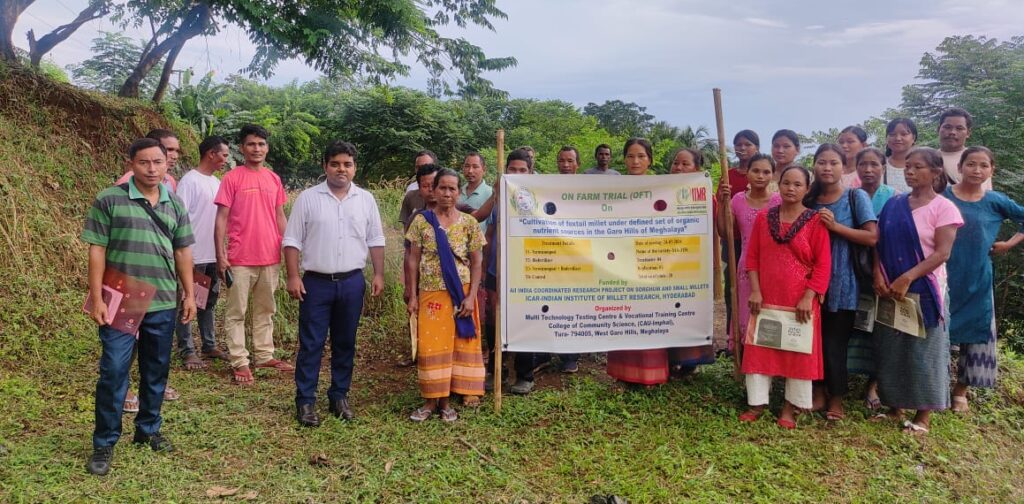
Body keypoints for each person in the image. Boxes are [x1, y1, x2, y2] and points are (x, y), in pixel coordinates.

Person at [82, 138, 197, 475]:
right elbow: (96, 251)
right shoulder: (109, 199)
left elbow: (183, 252)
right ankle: (104, 443)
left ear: (167, 164)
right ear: (131, 163)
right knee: (114, 371)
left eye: (158, 162)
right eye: (144, 162)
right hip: (122, 299)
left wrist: (189, 295)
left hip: (162, 300)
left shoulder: (174, 204)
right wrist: (96, 297)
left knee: (156, 369)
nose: (151, 169)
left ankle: (148, 430)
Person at [283, 141, 386, 427]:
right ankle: (305, 401)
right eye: (335, 164)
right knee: (311, 344)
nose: (342, 169)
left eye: (347, 164)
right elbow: (291, 240)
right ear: (325, 166)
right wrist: (293, 276)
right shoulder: (308, 198)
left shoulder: (365, 199)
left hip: (352, 282)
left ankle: (339, 395)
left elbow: (375, 239)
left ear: (355, 168)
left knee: (345, 343)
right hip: (315, 284)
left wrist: (378, 274)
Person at [873, 147, 962, 435]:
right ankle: (894, 406)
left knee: (926, 349)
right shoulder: (893, 205)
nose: (910, 172)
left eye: (918, 167)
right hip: (891, 286)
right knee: (893, 346)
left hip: (925, 286)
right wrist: (879, 274)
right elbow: (879, 243)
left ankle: (923, 415)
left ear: (936, 172)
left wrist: (907, 278)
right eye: (907, 167)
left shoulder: (944, 208)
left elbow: (942, 253)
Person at [739, 165, 831, 429]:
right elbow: (752, 257)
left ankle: (791, 407)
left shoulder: (815, 221)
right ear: (778, 186)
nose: (791, 188)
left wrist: (808, 296)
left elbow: (823, 265)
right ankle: (756, 403)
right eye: (786, 183)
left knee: (797, 350)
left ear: (807, 188)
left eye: (797, 184)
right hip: (765, 296)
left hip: (800, 298)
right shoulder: (763, 218)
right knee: (759, 347)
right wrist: (755, 290)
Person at [945, 146, 1024, 412]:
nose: (976, 170)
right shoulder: (943, 197)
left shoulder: (995, 201)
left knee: (976, 334)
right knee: (939, 330)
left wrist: (1009, 243)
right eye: (971, 164)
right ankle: (935, 386)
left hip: (977, 276)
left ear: (992, 170)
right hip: (944, 276)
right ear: (960, 167)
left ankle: (960, 391)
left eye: (983, 166)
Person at [214, 124, 294, 386]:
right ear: (242, 148)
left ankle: (264, 355)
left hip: (270, 257)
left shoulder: (273, 178)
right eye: (251, 144)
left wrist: (288, 248)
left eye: (261, 144)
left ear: (267, 148)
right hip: (239, 258)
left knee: (266, 309)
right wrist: (220, 254)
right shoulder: (232, 178)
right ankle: (239, 361)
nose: (256, 149)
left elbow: (280, 216)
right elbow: (221, 219)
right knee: (236, 312)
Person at [406, 168, 486, 421]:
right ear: (434, 190)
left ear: (458, 191)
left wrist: (471, 296)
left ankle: (453, 397)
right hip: (431, 293)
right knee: (432, 345)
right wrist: (413, 295)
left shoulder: (469, 223)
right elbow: (412, 260)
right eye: (442, 188)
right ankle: (432, 401)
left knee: (461, 343)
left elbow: (476, 262)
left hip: (461, 292)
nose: (447, 193)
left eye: (452, 189)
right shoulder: (421, 221)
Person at [804, 144, 878, 420]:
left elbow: (872, 237)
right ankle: (818, 391)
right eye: (821, 162)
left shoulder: (854, 197)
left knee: (836, 343)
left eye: (833, 162)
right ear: (813, 165)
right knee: (813, 341)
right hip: (809, 281)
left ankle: (837, 399)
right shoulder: (809, 199)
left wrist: (836, 227)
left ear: (842, 166)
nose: (827, 167)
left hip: (843, 282)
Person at [607, 138, 672, 385]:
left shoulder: (662, 188)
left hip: (651, 259)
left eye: (641, 156)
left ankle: (652, 374)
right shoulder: (613, 189)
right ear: (623, 160)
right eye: (630, 156)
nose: (635, 161)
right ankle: (623, 374)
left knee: (649, 315)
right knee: (623, 315)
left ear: (650, 160)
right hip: (621, 259)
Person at [173, 135, 231, 370]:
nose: (226, 160)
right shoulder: (190, 181)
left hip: (211, 254)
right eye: (224, 155)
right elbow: (180, 216)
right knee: (189, 301)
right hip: (193, 254)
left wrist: (222, 252)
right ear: (211, 154)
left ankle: (209, 344)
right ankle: (187, 349)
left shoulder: (217, 183)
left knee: (209, 302)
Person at [487, 150, 541, 394]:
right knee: (494, 321)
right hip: (496, 271)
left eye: (523, 170)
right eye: (513, 169)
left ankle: (524, 374)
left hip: (526, 272)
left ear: (530, 172)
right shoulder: (499, 200)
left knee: (525, 320)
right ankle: (495, 370)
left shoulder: (539, 201)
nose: (517, 174)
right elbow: (488, 233)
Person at [846, 147, 895, 410]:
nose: (868, 169)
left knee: (880, 325)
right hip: (851, 267)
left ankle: (874, 384)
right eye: (863, 164)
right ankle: (850, 375)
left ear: (883, 167)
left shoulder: (893, 198)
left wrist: (880, 270)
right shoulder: (850, 195)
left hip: (882, 269)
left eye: (874, 164)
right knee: (856, 323)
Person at [721, 153, 781, 353]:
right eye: (756, 171)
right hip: (745, 267)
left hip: (773, 267)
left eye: (766, 172)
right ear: (747, 172)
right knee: (747, 313)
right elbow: (725, 232)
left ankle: (768, 362)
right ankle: (747, 363)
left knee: (769, 315)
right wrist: (722, 203)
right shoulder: (737, 200)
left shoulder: (779, 202)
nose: (760, 176)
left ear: (772, 175)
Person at [666, 148, 717, 375]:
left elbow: (715, 228)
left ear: (697, 168)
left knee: (689, 310)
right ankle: (668, 358)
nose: (678, 167)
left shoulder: (706, 195)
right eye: (676, 163)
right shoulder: (660, 190)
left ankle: (690, 361)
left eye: (685, 164)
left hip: (693, 262)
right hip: (664, 262)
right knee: (666, 310)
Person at [938, 108, 989, 190]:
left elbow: (982, 195)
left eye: (959, 128)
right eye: (947, 127)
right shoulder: (929, 159)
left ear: (968, 133)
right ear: (938, 129)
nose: (952, 132)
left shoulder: (977, 159)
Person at [115, 129, 181, 191]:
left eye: (177, 151)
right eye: (169, 150)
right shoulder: (126, 183)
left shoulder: (170, 181)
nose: (175, 156)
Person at [398, 150, 440, 231]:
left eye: (426, 166)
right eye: (418, 167)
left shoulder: (445, 193)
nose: (422, 170)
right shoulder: (410, 192)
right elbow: (406, 225)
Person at [884, 118, 918, 194]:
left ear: (913, 138)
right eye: (892, 134)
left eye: (904, 134)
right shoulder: (879, 166)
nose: (898, 138)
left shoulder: (925, 167)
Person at [728, 130, 760, 194]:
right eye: (739, 145)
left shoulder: (763, 174)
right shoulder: (728, 175)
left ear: (757, 148)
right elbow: (719, 202)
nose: (742, 148)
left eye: (748, 144)